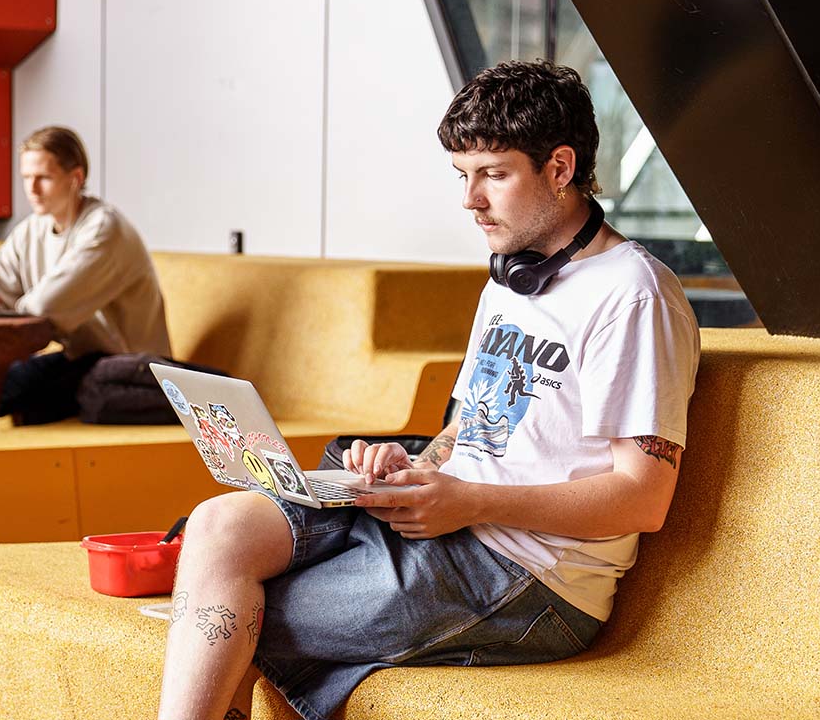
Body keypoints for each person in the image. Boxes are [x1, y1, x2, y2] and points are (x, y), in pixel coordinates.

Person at [155, 60, 700, 720]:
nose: (470, 200)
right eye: (462, 176)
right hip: (449, 519)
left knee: (227, 615)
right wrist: (409, 465)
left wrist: (470, 500)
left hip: (530, 577)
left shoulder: (634, 295)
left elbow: (642, 497)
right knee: (221, 527)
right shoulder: (510, 278)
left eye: (493, 174)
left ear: (560, 169)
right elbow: (467, 429)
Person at [0, 126, 171, 424]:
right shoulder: (33, 228)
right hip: (82, 359)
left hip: (126, 369)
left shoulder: (103, 230)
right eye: (26, 178)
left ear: (76, 178)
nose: (32, 189)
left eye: (43, 178)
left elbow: (44, 310)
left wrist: (0, 308)